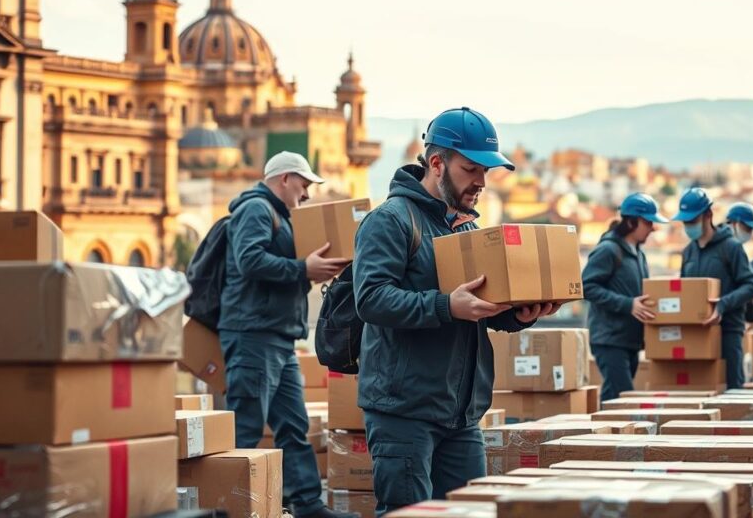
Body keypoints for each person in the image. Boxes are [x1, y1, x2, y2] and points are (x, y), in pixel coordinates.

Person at [353, 107, 562, 516]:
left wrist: (519, 314)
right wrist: (446, 305)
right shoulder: (390, 221)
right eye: (471, 169)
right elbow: (372, 299)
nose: (481, 182)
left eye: (486, 171)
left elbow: (480, 307)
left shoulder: (465, 228)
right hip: (404, 413)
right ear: (436, 163)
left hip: (460, 413)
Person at [218, 151, 356, 518]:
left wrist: (309, 269)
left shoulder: (278, 215)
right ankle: (228, 509)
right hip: (253, 335)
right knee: (245, 429)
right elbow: (249, 260)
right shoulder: (256, 210)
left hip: (276, 338)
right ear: (284, 179)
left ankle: (308, 505)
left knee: (294, 427)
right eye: (304, 184)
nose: (307, 194)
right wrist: (303, 268)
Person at [673, 187, 753, 389]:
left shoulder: (731, 248)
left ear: (708, 216)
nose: (689, 226)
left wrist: (723, 304)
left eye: (692, 221)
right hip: (698, 334)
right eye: (686, 222)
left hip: (728, 331)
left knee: (731, 392)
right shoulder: (688, 252)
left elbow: (751, 285)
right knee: (701, 392)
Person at [584, 192, 669, 401]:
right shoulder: (609, 250)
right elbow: (586, 286)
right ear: (632, 222)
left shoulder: (638, 254)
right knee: (623, 397)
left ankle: (601, 432)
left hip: (629, 340)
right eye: (648, 223)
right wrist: (627, 304)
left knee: (614, 397)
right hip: (610, 339)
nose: (653, 228)